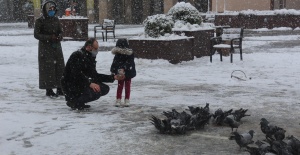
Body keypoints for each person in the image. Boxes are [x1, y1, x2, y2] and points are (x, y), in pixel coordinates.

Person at [61, 38, 124, 110]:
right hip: (71, 84)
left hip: (81, 82)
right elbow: (76, 74)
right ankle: (74, 101)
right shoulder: (77, 55)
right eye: (95, 48)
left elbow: (94, 75)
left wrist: (112, 77)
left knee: (103, 88)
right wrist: (89, 83)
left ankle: (80, 101)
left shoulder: (90, 57)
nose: (96, 51)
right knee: (95, 92)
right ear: (88, 47)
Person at [34, 1, 65, 98]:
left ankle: (60, 88)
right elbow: (37, 34)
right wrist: (49, 37)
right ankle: (49, 89)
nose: (52, 11)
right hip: (45, 48)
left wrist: (59, 36)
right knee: (48, 68)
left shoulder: (56, 19)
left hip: (56, 47)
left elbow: (61, 31)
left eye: (53, 9)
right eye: (50, 9)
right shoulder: (40, 21)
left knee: (60, 67)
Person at [110, 39, 136, 107]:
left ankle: (125, 99)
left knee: (124, 85)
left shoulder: (128, 54)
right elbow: (115, 63)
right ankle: (120, 99)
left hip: (127, 72)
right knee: (122, 85)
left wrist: (121, 68)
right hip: (122, 72)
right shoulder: (123, 54)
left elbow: (128, 63)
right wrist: (115, 70)